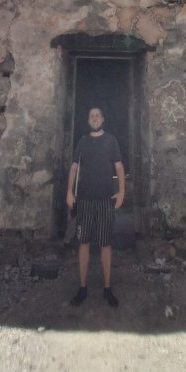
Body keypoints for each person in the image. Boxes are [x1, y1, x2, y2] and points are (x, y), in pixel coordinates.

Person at [66, 106, 125, 307]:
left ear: (103, 119)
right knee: (83, 244)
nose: (95, 117)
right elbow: (74, 166)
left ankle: (107, 289)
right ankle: (82, 289)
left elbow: (119, 167)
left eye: (98, 115)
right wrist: (69, 192)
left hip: (105, 200)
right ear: (88, 120)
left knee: (105, 244)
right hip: (84, 200)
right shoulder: (82, 141)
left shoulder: (111, 141)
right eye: (91, 115)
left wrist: (122, 192)